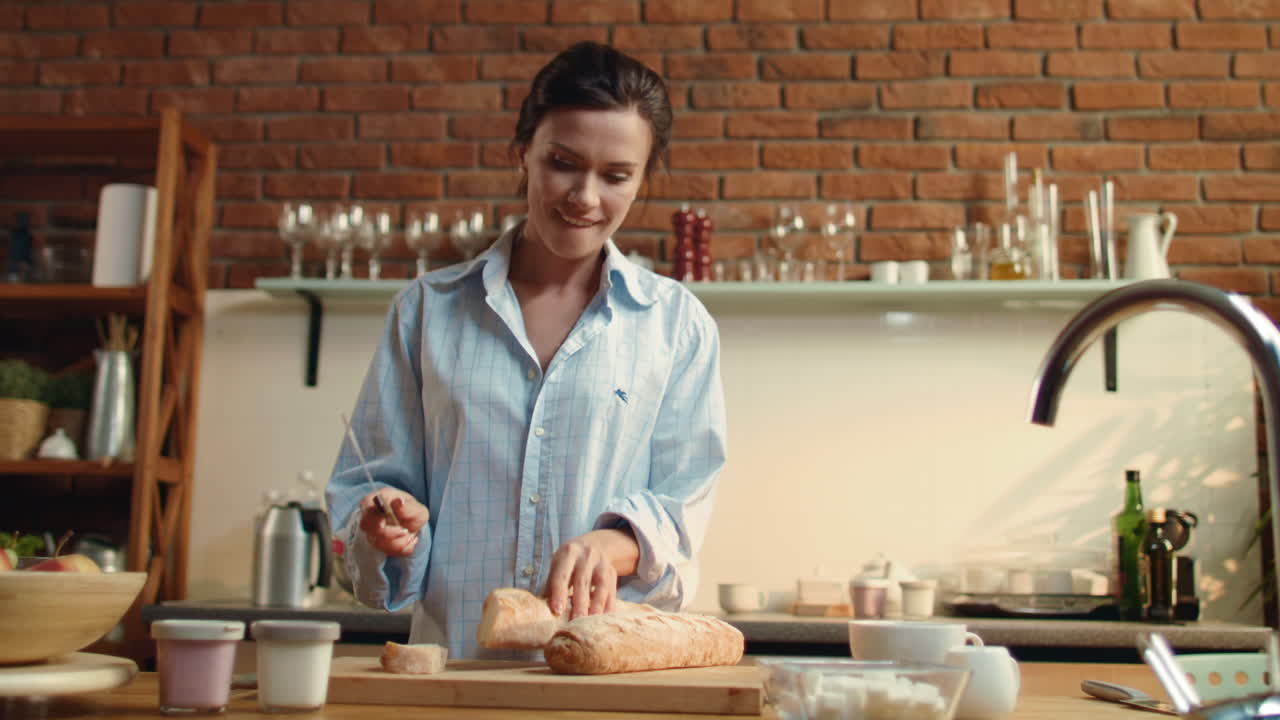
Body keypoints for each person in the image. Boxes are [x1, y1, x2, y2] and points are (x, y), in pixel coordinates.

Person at [326, 41, 728, 660]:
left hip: (603, 683)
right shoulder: (427, 311)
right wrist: (380, 525)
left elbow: (683, 505)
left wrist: (610, 544)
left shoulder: (677, 326)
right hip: (454, 676)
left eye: (616, 175)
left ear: (642, 180)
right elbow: (368, 492)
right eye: (563, 162)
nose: (585, 197)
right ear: (524, 154)